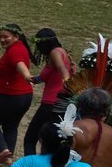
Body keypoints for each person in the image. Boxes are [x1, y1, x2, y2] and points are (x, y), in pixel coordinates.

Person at [0, 24, 34, 165]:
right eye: (0, 37)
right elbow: (8, 67)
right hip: (25, 96)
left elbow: (19, 64)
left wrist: (27, 76)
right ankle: (8, 158)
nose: (2, 40)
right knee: (11, 125)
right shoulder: (19, 47)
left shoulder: (14, 51)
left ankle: (3, 150)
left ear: (16, 37)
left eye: (6, 37)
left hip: (10, 95)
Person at [21, 28, 73, 156]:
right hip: (61, 104)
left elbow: (62, 69)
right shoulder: (63, 53)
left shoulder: (55, 52)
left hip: (50, 104)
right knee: (50, 141)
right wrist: (32, 79)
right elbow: (46, 76)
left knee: (30, 139)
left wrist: (66, 78)